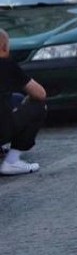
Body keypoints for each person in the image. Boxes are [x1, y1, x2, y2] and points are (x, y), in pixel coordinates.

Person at [0, 29, 47, 175]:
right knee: (38, 106)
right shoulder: (6, 65)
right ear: (4, 47)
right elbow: (40, 94)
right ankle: (12, 161)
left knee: (15, 98)